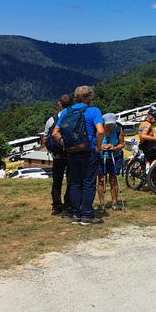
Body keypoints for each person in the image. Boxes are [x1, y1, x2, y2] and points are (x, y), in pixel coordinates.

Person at [52, 86, 105, 226]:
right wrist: (98, 147)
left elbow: (54, 133)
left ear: (76, 98)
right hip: (89, 152)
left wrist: (65, 144)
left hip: (71, 153)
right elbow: (100, 131)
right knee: (88, 182)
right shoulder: (93, 111)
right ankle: (87, 215)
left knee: (75, 182)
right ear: (88, 97)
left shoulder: (66, 112)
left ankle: (75, 214)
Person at [44, 93, 73, 216]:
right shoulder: (75, 117)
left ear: (59, 105)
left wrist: (51, 150)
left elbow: (45, 138)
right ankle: (68, 206)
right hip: (72, 154)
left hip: (57, 156)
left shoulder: (52, 120)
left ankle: (56, 206)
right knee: (71, 181)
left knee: (57, 182)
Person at [97, 113, 125, 212]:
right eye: (108, 125)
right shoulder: (99, 128)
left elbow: (122, 143)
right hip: (101, 157)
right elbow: (93, 143)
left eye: (112, 125)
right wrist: (101, 147)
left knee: (113, 180)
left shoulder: (118, 129)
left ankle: (114, 202)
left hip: (115, 156)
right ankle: (101, 203)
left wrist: (115, 147)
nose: (110, 127)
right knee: (101, 180)